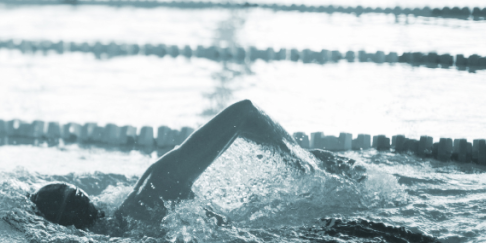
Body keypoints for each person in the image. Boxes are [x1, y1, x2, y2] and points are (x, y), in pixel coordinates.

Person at [30, 100, 311, 229]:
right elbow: (244, 111)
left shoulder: (124, 235)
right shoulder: (152, 189)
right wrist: (305, 163)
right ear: (86, 196)